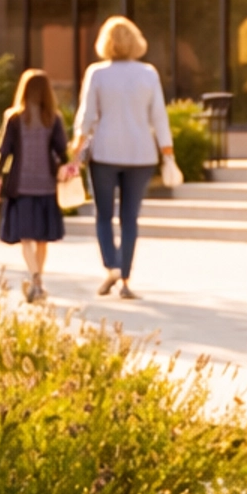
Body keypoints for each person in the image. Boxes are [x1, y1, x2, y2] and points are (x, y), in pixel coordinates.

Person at [71, 16, 174, 302]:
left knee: (103, 215)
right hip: (141, 154)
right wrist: (168, 152)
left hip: (105, 153)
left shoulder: (97, 73)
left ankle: (111, 266)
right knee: (130, 217)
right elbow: (159, 116)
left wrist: (75, 149)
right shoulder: (148, 73)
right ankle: (125, 279)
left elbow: (87, 116)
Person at [0, 68, 75, 301]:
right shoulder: (53, 118)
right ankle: (39, 281)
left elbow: (4, 151)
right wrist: (68, 168)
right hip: (46, 186)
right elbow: (61, 151)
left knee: (26, 237)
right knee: (41, 239)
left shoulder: (15, 118)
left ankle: (34, 278)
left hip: (21, 186)